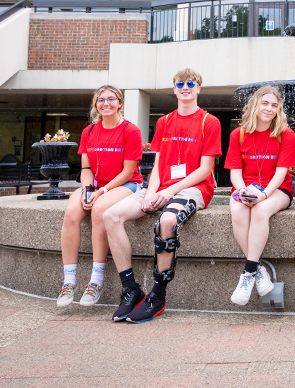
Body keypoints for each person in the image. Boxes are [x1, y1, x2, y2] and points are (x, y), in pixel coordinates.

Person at [103, 68, 221, 323]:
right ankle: (130, 289)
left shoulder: (209, 121)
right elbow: (158, 164)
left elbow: (205, 169)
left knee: (166, 221)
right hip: (160, 186)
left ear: (198, 88)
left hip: (194, 188)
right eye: (180, 83)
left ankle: (158, 294)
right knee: (110, 215)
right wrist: (153, 191)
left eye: (191, 83)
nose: (185, 87)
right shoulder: (164, 121)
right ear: (174, 88)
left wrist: (169, 191)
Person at [57, 85, 143, 307]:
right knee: (71, 213)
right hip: (95, 185)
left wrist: (101, 191)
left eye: (111, 99)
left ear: (120, 103)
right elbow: (86, 169)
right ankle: (69, 281)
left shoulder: (130, 131)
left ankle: (96, 280)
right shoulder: (89, 132)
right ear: (96, 105)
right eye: (101, 100)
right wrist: (87, 190)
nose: (106, 103)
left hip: (126, 184)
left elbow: (127, 171)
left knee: (98, 210)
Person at [226, 85, 295, 305]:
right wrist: (242, 190)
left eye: (274, 105)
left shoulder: (285, 133)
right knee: (237, 211)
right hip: (245, 188)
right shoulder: (238, 134)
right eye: (264, 103)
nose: (269, 108)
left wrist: (264, 195)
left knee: (260, 210)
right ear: (255, 104)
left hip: (277, 190)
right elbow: (235, 172)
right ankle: (258, 271)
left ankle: (247, 274)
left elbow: (282, 172)